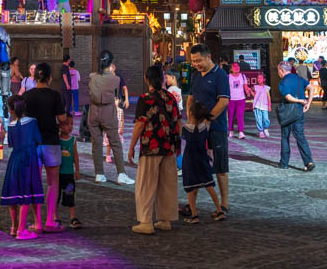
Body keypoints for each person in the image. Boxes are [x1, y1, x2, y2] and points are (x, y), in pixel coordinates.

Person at [127, 65, 181, 235]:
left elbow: (139, 124)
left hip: (151, 146)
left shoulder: (146, 99)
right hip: (169, 146)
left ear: (146, 79)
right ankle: (165, 219)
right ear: (163, 79)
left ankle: (146, 222)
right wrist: (178, 144)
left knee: (146, 184)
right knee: (167, 184)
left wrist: (131, 146)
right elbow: (178, 121)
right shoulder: (170, 97)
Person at [22, 62, 68, 232]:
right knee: (52, 183)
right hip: (51, 142)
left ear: (34, 78)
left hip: (32, 143)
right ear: (49, 78)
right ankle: (50, 221)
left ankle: (37, 223)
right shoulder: (55, 96)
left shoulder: (27, 96)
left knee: (34, 183)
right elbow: (62, 119)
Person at [185, 44, 230, 214]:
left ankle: (224, 204)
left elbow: (223, 101)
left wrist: (208, 120)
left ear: (208, 57)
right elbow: (191, 99)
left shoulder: (220, 75)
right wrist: (191, 120)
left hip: (216, 127)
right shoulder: (196, 75)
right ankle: (191, 205)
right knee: (195, 164)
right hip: (197, 129)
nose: (196, 64)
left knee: (220, 166)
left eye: (198, 60)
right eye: (193, 61)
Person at [87, 51, 135, 185]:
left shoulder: (92, 76)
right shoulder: (115, 79)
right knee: (115, 143)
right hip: (108, 111)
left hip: (93, 111)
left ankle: (99, 174)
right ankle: (121, 174)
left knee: (96, 144)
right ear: (111, 63)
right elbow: (115, 94)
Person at [0, 95, 43, 240]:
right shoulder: (32, 122)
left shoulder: (11, 125)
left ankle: (14, 227)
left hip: (15, 159)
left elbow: (11, 143)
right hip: (28, 159)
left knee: (14, 193)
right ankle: (21, 230)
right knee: (26, 193)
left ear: (11, 110)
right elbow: (38, 139)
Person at [180, 100, 224, 224]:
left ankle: (194, 215)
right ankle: (219, 210)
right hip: (202, 159)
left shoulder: (186, 129)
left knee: (190, 188)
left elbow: (181, 134)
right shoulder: (205, 127)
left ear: (191, 114)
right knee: (209, 185)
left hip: (190, 160)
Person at [277, 61, 314, 171]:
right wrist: (308, 103)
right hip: (298, 112)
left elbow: (288, 97)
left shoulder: (283, 82)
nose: (278, 73)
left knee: (285, 137)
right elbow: (311, 88)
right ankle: (309, 162)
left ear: (282, 70)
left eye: (278, 70)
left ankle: (284, 163)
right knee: (300, 137)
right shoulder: (299, 79)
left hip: (287, 113)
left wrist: (300, 101)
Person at [57, 113, 82, 229]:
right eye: (67, 124)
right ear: (60, 126)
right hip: (58, 174)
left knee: (70, 195)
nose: (70, 126)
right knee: (56, 196)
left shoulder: (73, 140)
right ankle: (55, 217)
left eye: (72, 124)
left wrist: (77, 170)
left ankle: (73, 217)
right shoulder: (57, 140)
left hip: (69, 174)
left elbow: (75, 156)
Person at [227, 62, 248, 139]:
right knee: (231, 116)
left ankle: (241, 132)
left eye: (238, 66)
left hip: (241, 99)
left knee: (240, 116)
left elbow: (245, 86)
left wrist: (248, 91)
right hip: (231, 99)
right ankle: (231, 130)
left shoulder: (243, 76)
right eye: (234, 67)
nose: (237, 68)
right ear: (231, 69)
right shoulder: (228, 77)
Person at [252, 72, 272, 138]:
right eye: (258, 78)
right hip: (257, 106)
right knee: (258, 119)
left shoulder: (266, 88)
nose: (259, 79)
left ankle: (265, 128)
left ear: (264, 79)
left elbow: (268, 97)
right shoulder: (255, 87)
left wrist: (269, 105)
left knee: (266, 119)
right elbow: (255, 96)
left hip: (264, 106)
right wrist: (250, 91)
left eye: (260, 78)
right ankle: (261, 131)